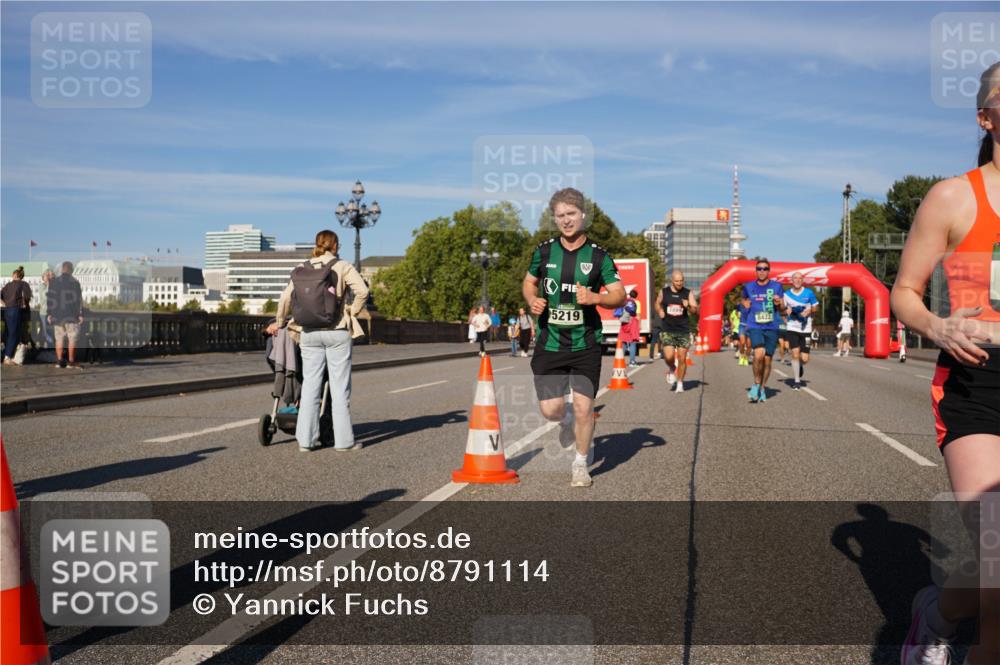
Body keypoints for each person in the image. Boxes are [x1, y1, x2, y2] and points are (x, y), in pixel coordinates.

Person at [893, 63, 1000, 665]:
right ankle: (934, 623)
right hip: (979, 379)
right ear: (986, 117)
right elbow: (903, 291)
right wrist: (936, 325)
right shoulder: (954, 196)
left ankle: (939, 611)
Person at [523, 188, 625, 488]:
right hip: (550, 343)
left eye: (571, 214)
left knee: (585, 407)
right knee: (550, 409)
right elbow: (529, 283)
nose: (566, 220)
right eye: (560, 216)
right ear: (554, 219)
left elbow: (619, 294)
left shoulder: (598, 256)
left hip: (585, 344)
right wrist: (532, 300)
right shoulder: (543, 252)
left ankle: (580, 464)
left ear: (582, 215)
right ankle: (564, 418)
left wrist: (595, 297)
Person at [267, 230, 369, 452]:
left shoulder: (303, 268)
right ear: (336, 245)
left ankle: (305, 441)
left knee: (311, 386)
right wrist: (352, 311)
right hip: (337, 330)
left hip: (309, 332)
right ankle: (344, 442)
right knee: (340, 388)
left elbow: (285, 299)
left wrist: (281, 321)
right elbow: (362, 291)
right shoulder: (341, 266)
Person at [741, 258, 785, 402]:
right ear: (756, 270)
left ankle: (763, 387)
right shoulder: (748, 287)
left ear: (769, 271)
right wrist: (745, 305)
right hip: (755, 325)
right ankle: (755, 384)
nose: (762, 271)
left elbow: (782, 308)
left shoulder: (777, 286)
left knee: (767, 360)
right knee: (758, 354)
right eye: (759, 268)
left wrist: (779, 303)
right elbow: (744, 301)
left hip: (771, 326)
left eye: (765, 268)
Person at [656, 270, 698, 393]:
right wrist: (660, 311)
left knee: (682, 358)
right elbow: (657, 304)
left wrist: (688, 306)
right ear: (672, 281)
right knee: (668, 357)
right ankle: (671, 367)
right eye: (677, 281)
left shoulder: (687, 293)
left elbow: (695, 310)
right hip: (668, 329)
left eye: (681, 281)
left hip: (683, 330)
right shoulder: (664, 292)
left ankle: (680, 383)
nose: (679, 283)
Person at [782, 271, 819, 390]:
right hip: (792, 327)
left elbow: (816, 307)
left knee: (804, 358)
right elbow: (782, 309)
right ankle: (797, 381)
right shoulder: (786, 294)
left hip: (806, 329)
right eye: (795, 278)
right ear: (791, 281)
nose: (797, 280)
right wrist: (785, 312)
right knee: (795, 353)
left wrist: (809, 311)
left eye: (800, 278)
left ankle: (800, 366)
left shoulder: (809, 293)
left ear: (802, 281)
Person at [47, 261, 83, 369]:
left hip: (57, 316)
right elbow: (79, 301)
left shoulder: (54, 282)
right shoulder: (75, 283)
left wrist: (49, 314)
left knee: (59, 339)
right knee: (72, 339)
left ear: (62, 269)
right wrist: (80, 314)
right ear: (71, 270)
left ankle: (59, 361)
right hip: (72, 315)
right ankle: (71, 362)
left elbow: (50, 299)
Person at [1, 266, 32, 365]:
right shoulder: (23, 284)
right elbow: (27, 297)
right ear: (21, 276)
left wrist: (4, 303)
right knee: (14, 334)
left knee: (8, 332)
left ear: (14, 275)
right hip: (16, 310)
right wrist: (25, 305)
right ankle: (8, 357)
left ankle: (7, 354)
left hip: (6, 310)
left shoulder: (8, 285)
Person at [618, 291, 641, 367]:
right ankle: (632, 362)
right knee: (633, 343)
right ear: (636, 296)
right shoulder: (636, 302)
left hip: (624, 323)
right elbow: (638, 315)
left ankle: (620, 361)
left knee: (624, 342)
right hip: (632, 322)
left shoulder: (625, 301)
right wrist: (639, 325)